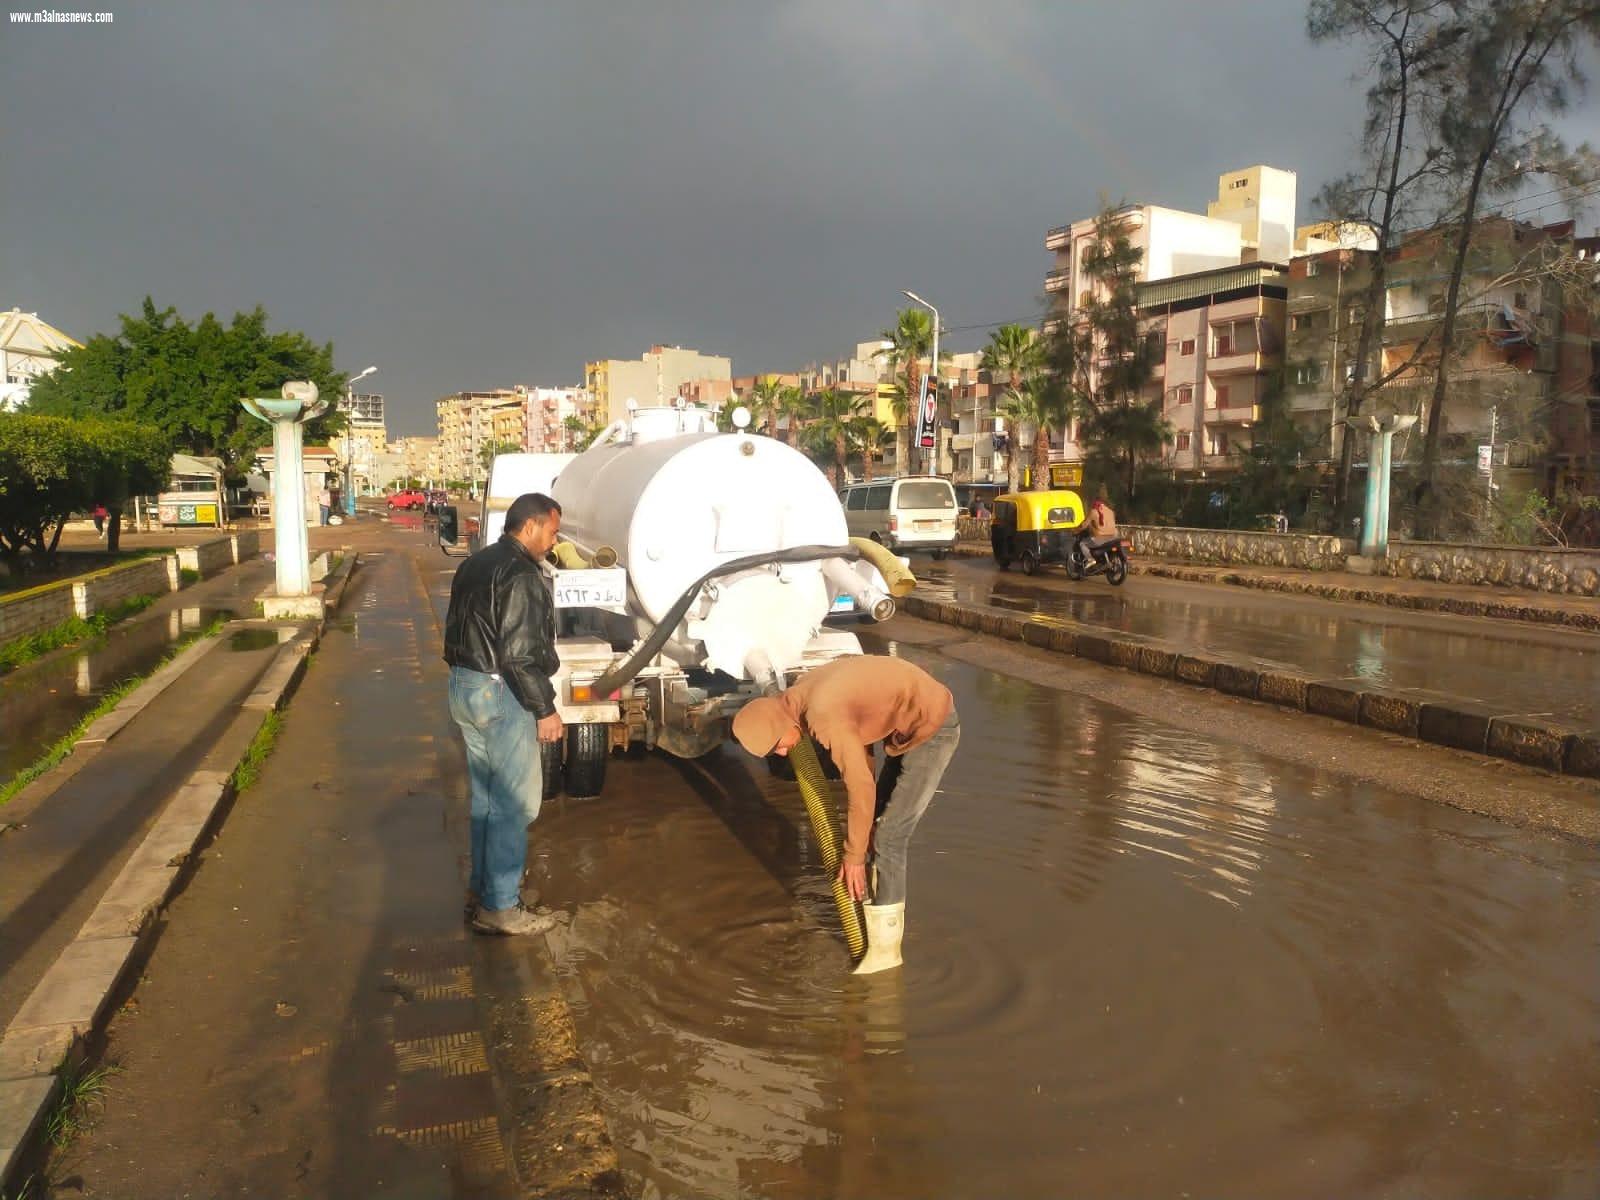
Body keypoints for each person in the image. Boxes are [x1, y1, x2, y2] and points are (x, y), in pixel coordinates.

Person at [732, 655, 959, 974]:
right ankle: (870, 912)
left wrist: (852, 857)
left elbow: (861, 786)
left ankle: (884, 955)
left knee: (890, 837)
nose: (783, 754)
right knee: (871, 829)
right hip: (905, 718)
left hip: (933, 722)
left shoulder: (822, 716)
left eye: (777, 747)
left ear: (780, 724)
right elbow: (861, 751)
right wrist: (860, 837)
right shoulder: (799, 698)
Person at [442, 492, 565, 935]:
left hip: (464, 685)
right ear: (529, 526)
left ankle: (484, 890)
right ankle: (501, 908)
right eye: (552, 532)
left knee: (488, 799)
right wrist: (545, 709)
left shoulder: (475, 562)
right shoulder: (520, 574)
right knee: (516, 803)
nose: (554, 542)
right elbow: (518, 656)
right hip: (500, 691)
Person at [1073, 496, 1118, 565]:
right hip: (1113, 537)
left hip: (1100, 538)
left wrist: (1076, 530)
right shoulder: (1111, 511)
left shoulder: (1093, 512)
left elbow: (1084, 525)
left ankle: (1090, 559)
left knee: (1082, 544)